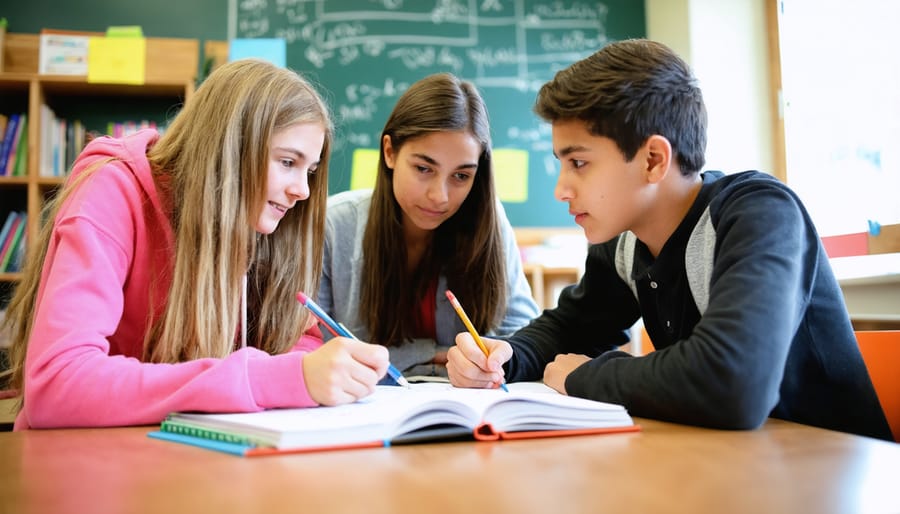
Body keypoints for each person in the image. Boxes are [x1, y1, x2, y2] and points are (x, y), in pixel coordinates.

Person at [446, 39, 892, 440]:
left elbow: (733, 382)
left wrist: (588, 378)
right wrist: (505, 356)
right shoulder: (624, 239)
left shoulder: (760, 213)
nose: (561, 189)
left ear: (653, 160)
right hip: (730, 460)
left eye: (579, 163)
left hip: (827, 465)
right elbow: (571, 327)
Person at [2, 59, 390, 430]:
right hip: (88, 463)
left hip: (198, 460)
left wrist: (316, 371)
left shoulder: (264, 226)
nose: (302, 190)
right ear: (230, 150)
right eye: (287, 163)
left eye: (309, 170)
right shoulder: (112, 193)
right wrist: (268, 378)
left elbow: (299, 342)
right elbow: (57, 384)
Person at [316, 72, 539, 380]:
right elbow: (318, 348)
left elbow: (524, 335)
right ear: (390, 152)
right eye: (423, 168)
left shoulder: (490, 222)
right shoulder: (334, 225)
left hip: (470, 412)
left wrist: (500, 358)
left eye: (461, 176)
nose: (440, 196)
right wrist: (438, 355)